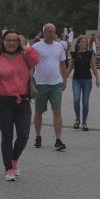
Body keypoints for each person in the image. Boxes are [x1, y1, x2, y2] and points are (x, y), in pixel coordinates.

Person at [0, 30, 40, 181]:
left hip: (22, 101)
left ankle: (14, 159)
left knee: (23, 135)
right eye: (8, 40)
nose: (11, 43)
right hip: (3, 102)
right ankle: (8, 168)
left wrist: (26, 46)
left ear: (19, 42)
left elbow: (35, 60)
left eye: (15, 40)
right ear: (3, 42)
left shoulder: (25, 57)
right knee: (7, 136)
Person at [32, 23, 68, 151]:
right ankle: (38, 136)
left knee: (57, 111)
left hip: (56, 83)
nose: (51, 34)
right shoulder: (36, 47)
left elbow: (62, 64)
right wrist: (30, 83)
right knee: (39, 111)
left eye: (53, 31)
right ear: (43, 33)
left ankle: (58, 139)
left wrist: (64, 79)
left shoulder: (59, 46)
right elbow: (30, 65)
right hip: (41, 84)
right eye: (49, 31)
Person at [66, 35, 100, 131]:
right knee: (76, 100)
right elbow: (69, 68)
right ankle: (77, 119)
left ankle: (84, 122)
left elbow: (93, 67)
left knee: (85, 102)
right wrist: (63, 79)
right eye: (82, 42)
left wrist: (97, 78)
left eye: (85, 42)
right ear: (78, 43)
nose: (84, 44)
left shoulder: (90, 53)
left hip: (87, 80)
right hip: (76, 80)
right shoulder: (74, 54)